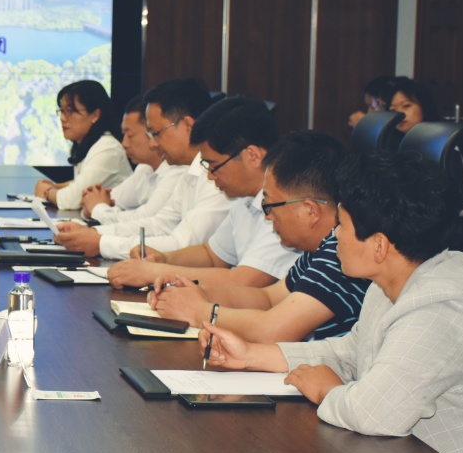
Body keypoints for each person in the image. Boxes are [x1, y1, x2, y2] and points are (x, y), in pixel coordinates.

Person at [201, 151, 463, 453]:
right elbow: (348, 352)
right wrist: (250, 355)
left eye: (342, 224)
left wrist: (328, 390)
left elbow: (374, 414)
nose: (334, 235)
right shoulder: (391, 282)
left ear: (379, 245)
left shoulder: (440, 305)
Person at [151, 131, 369, 342]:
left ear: (310, 211)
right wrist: (196, 292)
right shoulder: (319, 251)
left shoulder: (340, 254)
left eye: (270, 205)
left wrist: (200, 311)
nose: (267, 216)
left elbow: (273, 330)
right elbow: (268, 298)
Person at [106, 98, 296, 289]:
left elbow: (242, 282)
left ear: (252, 156)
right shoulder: (245, 199)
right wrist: (164, 258)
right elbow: (211, 255)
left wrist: (155, 272)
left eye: (214, 166)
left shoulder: (286, 205)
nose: (210, 177)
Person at [54, 77, 232, 258]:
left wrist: (101, 243)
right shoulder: (190, 171)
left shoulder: (217, 175)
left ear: (188, 126)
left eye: (156, 133)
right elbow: (160, 224)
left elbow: (181, 245)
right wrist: (94, 233)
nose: (153, 143)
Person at [80, 94, 186, 225]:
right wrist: (92, 203)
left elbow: (144, 220)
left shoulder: (178, 170)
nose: (124, 143)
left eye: (129, 135)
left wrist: (98, 209)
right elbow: (106, 200)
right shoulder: (144, 168)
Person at [33, 80, 131, 210]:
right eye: (61, 111)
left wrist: (47, 191)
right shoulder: (90, 144)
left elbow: (71, 200)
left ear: (95, 115)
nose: (62, 118)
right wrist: (55, 187)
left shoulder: (108, 148)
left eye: (69, 111)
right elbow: (81, 183)